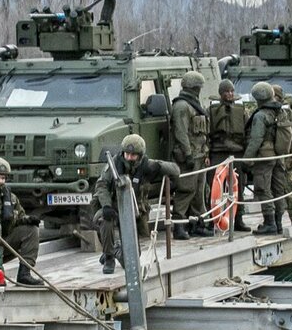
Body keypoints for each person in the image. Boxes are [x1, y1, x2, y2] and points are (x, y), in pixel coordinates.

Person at [90, 133, 182, 273]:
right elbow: (101, 185)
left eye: (133, 155)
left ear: (140, 155)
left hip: (132, 214)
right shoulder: (114, 165)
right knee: (105, 221)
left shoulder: (146, 166)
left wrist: (157, 166)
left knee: (132, 259)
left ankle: (114, 250)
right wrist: (106, 205)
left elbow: (175, 170)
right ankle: (109, 258)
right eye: (126, 154)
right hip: (112, 211)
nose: (129, 158)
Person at [0, 156, 43, 285]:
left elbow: (19, 216)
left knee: (32, 230)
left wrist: (27, 220)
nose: (0, 181)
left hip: (5, 241)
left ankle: (24, 273)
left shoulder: (10, 198)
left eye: (3, 178)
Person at [241, 82, 292, 236]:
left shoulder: (260, 115)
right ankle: (278, 222)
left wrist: (246, 160)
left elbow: (256, 139)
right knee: (278, 189)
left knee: (263, 189)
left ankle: (269, 223)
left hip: (264, 157)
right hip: (279, 155)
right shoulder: (280, 112)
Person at [167, 70, 212, 238]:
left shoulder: (194, 105)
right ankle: (179, 226)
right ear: (194, 88)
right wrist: (187, 154)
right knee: (186, 190)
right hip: (188, 156)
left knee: (199, 192)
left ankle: (197, 224)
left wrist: (204, 152)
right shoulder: (181, 106)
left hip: (199, 155)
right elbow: (181, 133)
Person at [273, 85, 292, 223]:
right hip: (274, 158)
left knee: (291, 189)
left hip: (288, 158)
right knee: (275, 191)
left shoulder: (291, 115)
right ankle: (276, 219)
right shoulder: (268, 112)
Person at [207, 78, 249, 165]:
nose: (230, 94)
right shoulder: (211, 110)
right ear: (221, 93)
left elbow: (248, 131)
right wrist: (206, 154)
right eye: (227, 91)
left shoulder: (241, 110)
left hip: (238, 151)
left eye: (232, 91)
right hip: (217, 152)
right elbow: (207, 133)